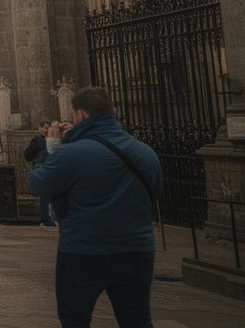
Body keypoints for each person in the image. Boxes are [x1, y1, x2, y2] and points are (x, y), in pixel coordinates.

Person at [29, 87, 162, 328]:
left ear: (80, 115)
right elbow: (157, 191)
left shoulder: (70, 153)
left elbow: (38, 184)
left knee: (75, 320)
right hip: (137, 248)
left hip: (85, 249)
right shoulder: (146, 152)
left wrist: (53, 146)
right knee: (137, 320)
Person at [25, 121, 57, 228]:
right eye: (44, 128)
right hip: (42, 169)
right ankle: (46, 219)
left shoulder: (54, 141)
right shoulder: (37, 141)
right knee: (45, 196)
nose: (46, 130)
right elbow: (28, 155)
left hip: (51, 169)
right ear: (40, 128)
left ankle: (52, 217)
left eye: (48, 128)